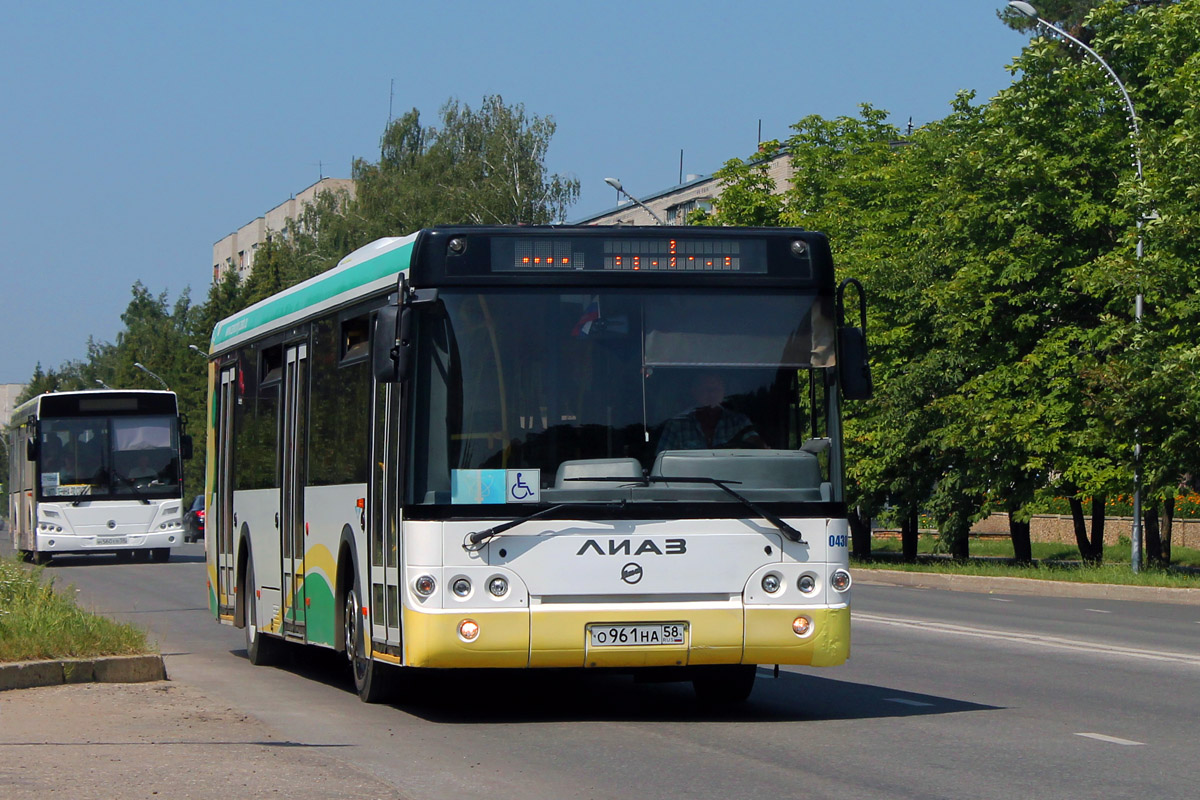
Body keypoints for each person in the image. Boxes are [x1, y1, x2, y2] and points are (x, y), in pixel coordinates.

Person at [656, 372, 767, 452]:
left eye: (716, 390)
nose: (712, 394)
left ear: (724, 392)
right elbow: (662, 465)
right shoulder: (676, 425)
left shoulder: (739, 422)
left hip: (733, 483)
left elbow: (759, 450)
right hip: (689, 483)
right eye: (706, 390)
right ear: (694, 392)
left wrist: (755, 443)